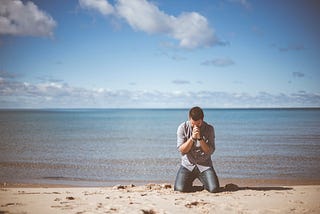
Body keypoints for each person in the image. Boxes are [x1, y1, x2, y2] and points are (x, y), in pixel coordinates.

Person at [174, 106, 220, 193]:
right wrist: (192, 138)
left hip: (205, 165)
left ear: (202, 120)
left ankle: (205, 183)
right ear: (189, 119)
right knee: (179, 189)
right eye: (193, 124)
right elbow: (182, 150)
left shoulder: (209, 128)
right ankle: (189, 184)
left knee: (214, 189)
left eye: (198, 124)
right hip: (187, 165)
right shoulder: (182, 127)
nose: (195, 126)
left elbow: (210, 151)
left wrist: (200, 139)